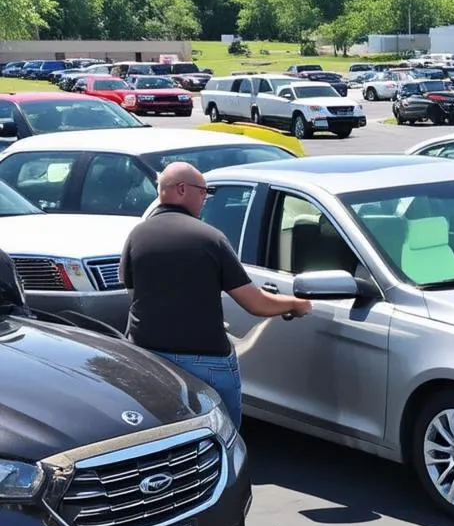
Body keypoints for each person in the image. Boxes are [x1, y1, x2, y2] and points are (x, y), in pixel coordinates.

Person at [119, 161, 312, 428]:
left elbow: (134, 294)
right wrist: (295, 304)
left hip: (147, 357)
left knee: (162, 437)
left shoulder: (137, 235)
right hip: (204, 360)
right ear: (183, 189)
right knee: (223, 437)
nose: (205, 200)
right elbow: (255, 304)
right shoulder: (210, 238)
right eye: (203, 192)